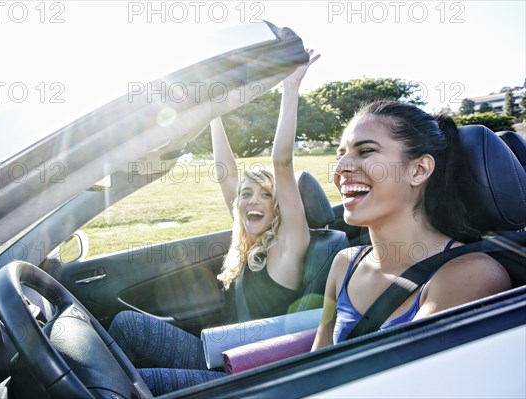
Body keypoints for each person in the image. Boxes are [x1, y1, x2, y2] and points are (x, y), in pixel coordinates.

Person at [108, 50, 320, 395]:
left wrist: (291, 87)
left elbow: (282, 162)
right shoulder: (247, 242)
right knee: (126, 325)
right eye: (246, 194)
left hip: (245, 374)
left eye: (266, 195)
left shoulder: (289, 245)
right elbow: (227, 175)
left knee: (131, 384)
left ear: (279, 207)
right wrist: (214, 114)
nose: (252, 200)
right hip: (219, 353)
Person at [311, 100, 512, 349]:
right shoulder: (345, 263)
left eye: (365, 151)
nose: (340, 168)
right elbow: (318, 363)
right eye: (340, 155)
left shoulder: (470, 275)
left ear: (418, 170)